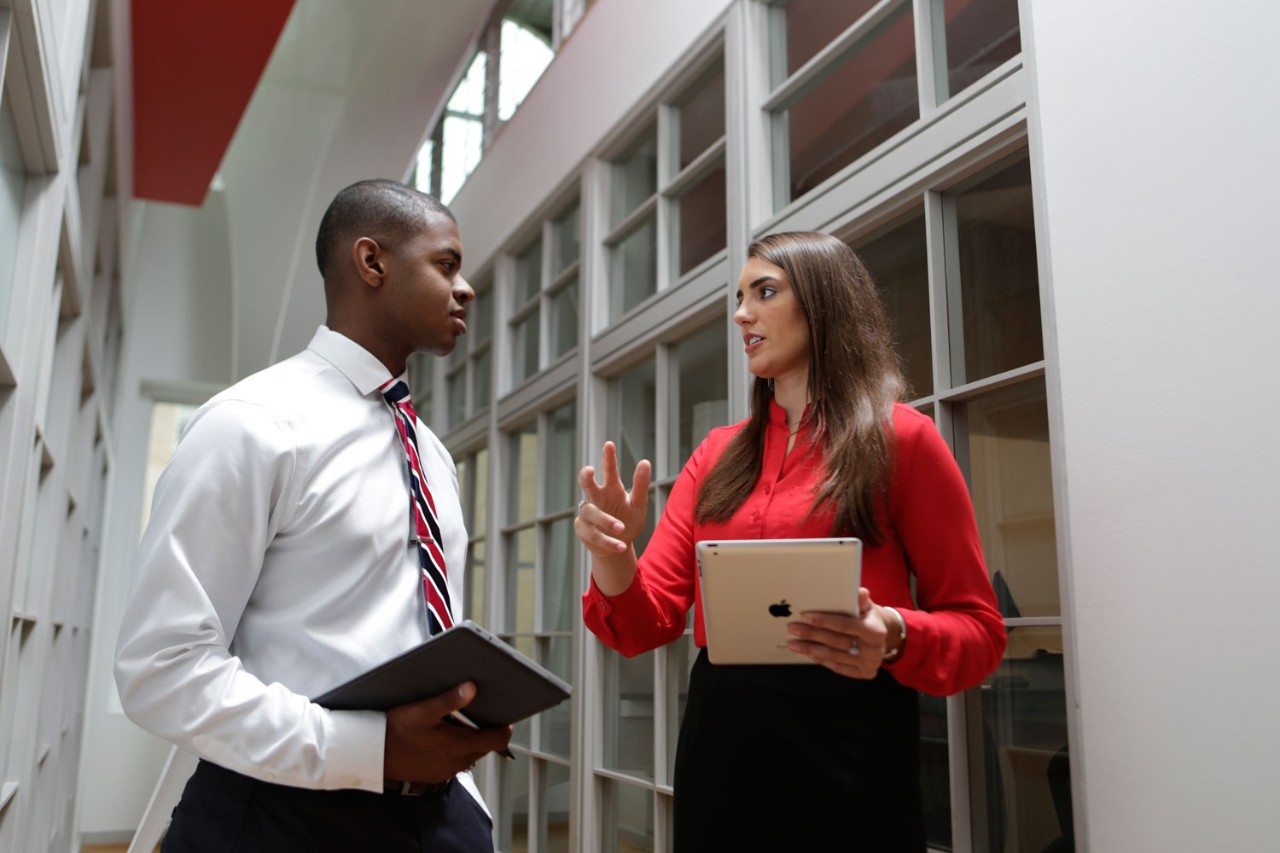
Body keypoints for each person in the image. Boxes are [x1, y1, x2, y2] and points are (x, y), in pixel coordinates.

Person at [576, 231, 1007, 851]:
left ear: (824, 304)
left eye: (764, 292)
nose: (740, 313)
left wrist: (892, 633)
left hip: (851, 742)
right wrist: (614, 555)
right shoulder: (716, 455)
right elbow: (646, 625)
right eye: (739, 297)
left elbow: (980, 634)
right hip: (721, 742)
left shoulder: (904, 441)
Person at [115, 179, 511, 852]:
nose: (467, 286)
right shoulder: (254, 424)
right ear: (372, 262)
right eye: (446, 263)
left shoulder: (432, 455)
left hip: (439, 815)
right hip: (282, 816)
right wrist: (369, 747)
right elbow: (161, 667)